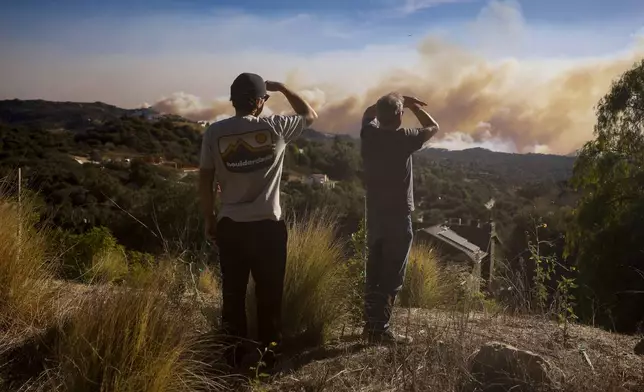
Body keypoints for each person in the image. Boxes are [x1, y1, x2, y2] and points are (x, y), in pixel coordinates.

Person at [199, 73, 317, 367]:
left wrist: (209, 218)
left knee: (233, 295)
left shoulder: (214, 133)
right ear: (260, 102)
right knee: (270, 296)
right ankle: (269, 356)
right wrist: (283, 88)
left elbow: (204, 180)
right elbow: (309, 115)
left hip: (230, 226)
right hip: (268, 227)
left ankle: (233, 355)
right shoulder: (276, 126)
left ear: (233, 100)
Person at [360, 92, 439, 344]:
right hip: (397, 215)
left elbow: (367, 114)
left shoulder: (368, 134)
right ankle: (379, 330)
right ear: (399, 116)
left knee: (374, 269)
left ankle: (371, 326)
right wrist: (414, 106)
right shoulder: (404, 138)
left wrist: (391, 103)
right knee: (392, 273)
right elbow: (433, 127)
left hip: (374, 214)